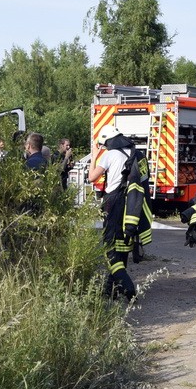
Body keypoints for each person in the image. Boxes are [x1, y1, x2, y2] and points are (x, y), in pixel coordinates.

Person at [88, 126, 138, 302]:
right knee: (122, 245)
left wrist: (95, 155)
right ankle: (111, 288)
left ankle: (128, 287)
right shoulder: (134, 153)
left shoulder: (110, 155)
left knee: (109, 247)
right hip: (130, 204)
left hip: (113, 201)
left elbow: (92, 177)